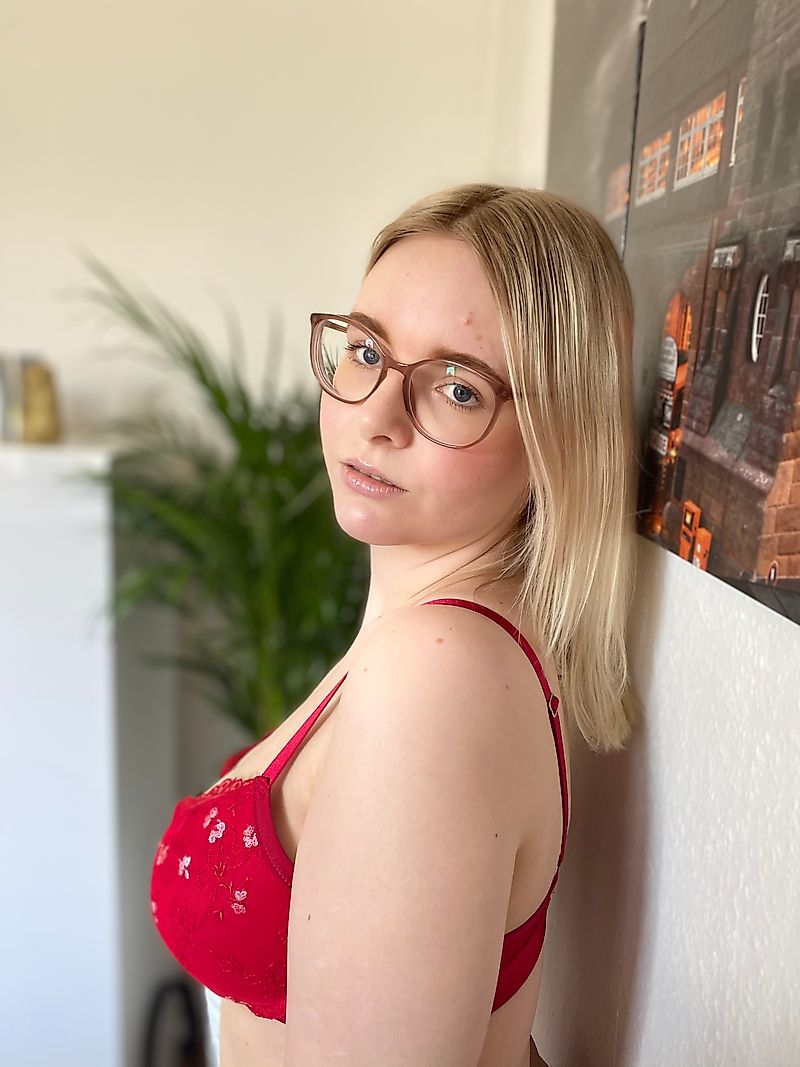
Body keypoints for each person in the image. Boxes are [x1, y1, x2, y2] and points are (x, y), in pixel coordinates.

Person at [150, 182, 640, 1067]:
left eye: (457, 387)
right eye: (367, 350)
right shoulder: (448, 634)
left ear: (557, 435)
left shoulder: (438, 668)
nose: (373, 417)